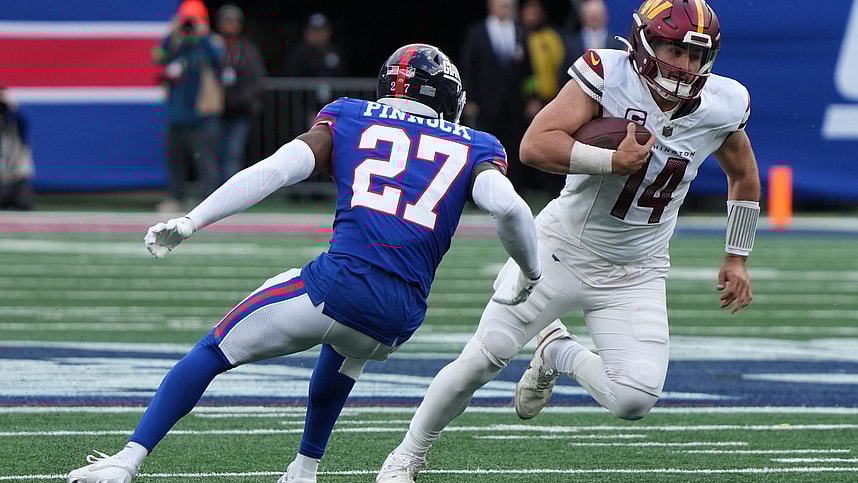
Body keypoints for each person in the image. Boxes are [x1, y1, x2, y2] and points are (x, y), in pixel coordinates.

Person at [66, 43, 543, 483]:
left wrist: (193, 220)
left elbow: (275, 169)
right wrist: (531, 271)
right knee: (344, 350)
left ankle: (128, 460)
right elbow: (511, 209)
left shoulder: (349, 116)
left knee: (212, 351)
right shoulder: (476, 144)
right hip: (397, 321)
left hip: (334, 288)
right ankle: (304, 469)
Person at [376, 1, 759, 481]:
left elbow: (743, 176)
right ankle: (407, 455)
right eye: (673, 49)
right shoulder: (609, 75)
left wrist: (737, 257)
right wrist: (610, 162)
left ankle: (556, 349)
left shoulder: (722, 104)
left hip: (637, 270)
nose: (684, 66)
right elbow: (535, 144)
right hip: (561, 249)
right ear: (644, 43)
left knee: (635, 398)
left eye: (694, 56)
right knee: (482, 357)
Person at [460, 0, 538, 194]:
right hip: (486, 104)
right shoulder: (476, 32)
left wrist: (532, 98)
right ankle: (480, 191)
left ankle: (513, 191)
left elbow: (529, 71)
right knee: (484, 148)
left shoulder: (521, 32)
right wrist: (470, 99)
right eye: (501, 4)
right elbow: (470, 67)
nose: (505, 8)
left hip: (514, 104)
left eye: (508, 5)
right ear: (491, 6)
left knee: (513, 146)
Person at [153, 0, 224, 213]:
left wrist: (202, 36)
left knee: (205, 159)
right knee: (175, 159)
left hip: (201, 112)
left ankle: (209, 201)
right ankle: (176, 197)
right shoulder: (178, 42)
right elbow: (159, 57)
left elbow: (219, 60)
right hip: (177, 113)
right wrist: (172, 32)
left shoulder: (211, 42)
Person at [215, 5, 266, 179]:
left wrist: (244, 98)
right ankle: (213, 195)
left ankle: (230, 195)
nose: (229, 25)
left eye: (233, 21)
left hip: (241, 111)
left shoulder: (247, 49)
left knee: (233, 154)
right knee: (215, 154)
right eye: (226, 21)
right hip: (216, 111)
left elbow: (257, 77)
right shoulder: (213, 46)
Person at [0, 88, 34, 210]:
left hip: (18, 176)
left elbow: (22, 122)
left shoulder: (17, 122)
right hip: (2, 177)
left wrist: (10, 106)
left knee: (24, 205)